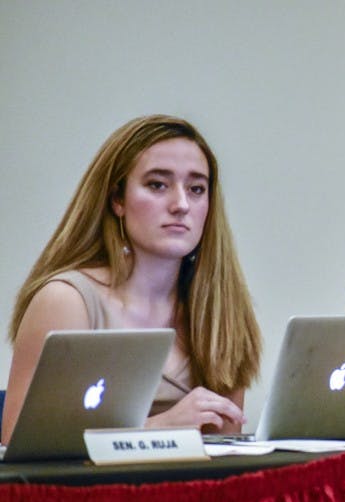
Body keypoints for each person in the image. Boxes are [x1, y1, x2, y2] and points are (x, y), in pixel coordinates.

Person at [2, 115, 262, 443]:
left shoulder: (221, 310)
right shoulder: (66, 300)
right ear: (117, 199)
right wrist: (156, 430)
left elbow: (225, 450)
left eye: (197, 189)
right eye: (158, 185)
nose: (181, 204)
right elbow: (18, 447)